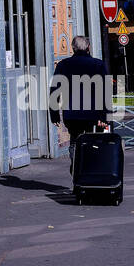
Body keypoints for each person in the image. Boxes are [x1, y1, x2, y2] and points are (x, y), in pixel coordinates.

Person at [49, 35, 109, 168]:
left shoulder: (63, 65)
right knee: (92, 140)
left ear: (73, 48)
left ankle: (76, 165)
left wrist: (53, 113)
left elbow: (55, 90)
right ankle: (90, 168)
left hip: (71, 113)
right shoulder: (98, 64)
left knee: (75, 139)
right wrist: (106, 115)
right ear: (88, 47)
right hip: (93, 112)